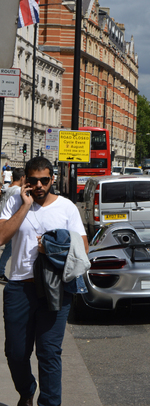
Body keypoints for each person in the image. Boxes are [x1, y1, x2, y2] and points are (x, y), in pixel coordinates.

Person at [0, 156, 89, 406]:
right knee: (16, 353)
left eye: (44, 180)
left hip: (56, 288)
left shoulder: (67, 208)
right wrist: (25, 206)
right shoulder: (15, 202)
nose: (39, 185)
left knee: (49, 353)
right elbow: (1, 237)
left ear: (52, 179)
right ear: (25, 181)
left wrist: (50, 248)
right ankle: (27, 391)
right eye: (33, 180)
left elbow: (83, 247)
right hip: (19, 286)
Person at [0, 167, 25, 282]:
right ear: (22, 178)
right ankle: (0, 271)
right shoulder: (17, 191)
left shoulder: (6, 187)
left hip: (2, 219)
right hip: (10, 223)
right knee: (9, 249)